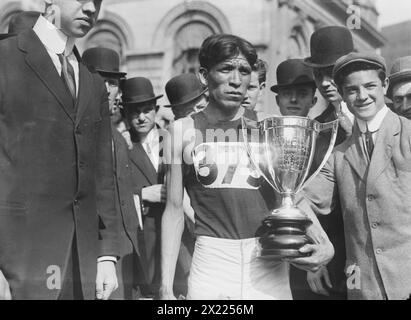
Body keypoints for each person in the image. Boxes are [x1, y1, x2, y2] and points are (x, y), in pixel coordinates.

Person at [160, 34, 334, 300]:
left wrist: (324, 244)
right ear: (205, 76)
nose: (236, 80)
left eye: (243, 70)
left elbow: (292, 195)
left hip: (267, 261)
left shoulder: (268, 125)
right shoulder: (182, 131)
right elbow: (173, 211)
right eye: (226, 69)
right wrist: (165, 286)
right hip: (211, 262)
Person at [0, 1, 119, 300]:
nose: (92, 8)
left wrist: (106, 255)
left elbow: (102, 174)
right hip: (18, 260)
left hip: (81, 263)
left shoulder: (92, 82)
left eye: (98, 0)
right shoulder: (5, 59)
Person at [299, 52, 411, 300]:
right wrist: (321, 243)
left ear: (385, 86)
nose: (362, 96)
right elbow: (298, 200)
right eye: (351, 90)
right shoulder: (338, 154)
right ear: (342, 93)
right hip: (363, 290)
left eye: (370, 86)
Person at [82, 47, 145, 300]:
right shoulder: (77, 129)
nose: (107, 89)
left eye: (112, 82)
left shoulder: (119, 137)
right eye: (100, 81)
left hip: (125, 248)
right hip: (94, 250)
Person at [302, 25, 355, 300]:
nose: (324, 82)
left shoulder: (390, 118)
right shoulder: (316, 129)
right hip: (334, 253)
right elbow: (306, 198)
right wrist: (315, 258)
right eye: (318, 73)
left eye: (331, 71)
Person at [122, 77, 166, 299]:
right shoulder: (121, 146)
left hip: (172, 234)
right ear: (125, 114)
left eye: (147, 110)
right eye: (134, 111)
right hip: (142, 237)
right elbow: (111, 192)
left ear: (156, 110)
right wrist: (141, 194)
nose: (141, 117)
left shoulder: (173, 140)